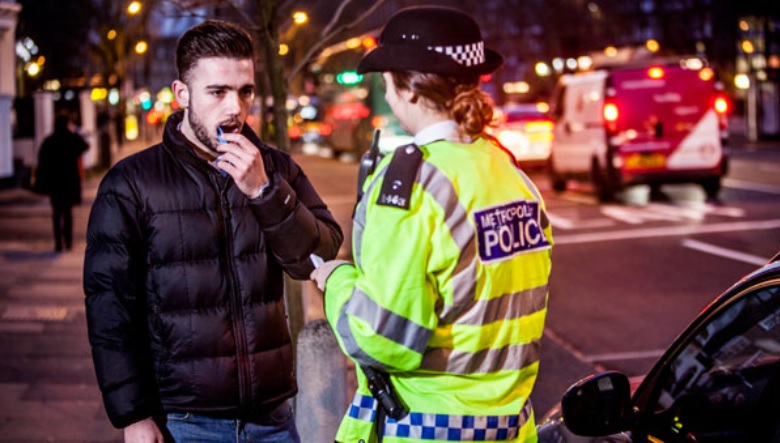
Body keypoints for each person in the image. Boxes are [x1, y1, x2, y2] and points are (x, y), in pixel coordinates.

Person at [84, 20, 343, 443]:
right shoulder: (132, 183)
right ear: (182, 93)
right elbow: (110, 308)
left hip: (273, 418)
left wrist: (264, 193)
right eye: (217, 92)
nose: (235, 108)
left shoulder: (274, 168)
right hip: (185, 421)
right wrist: (133, 415)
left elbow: (317, 257)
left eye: (245, 91)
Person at [311, 6, 553, 443]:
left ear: (407, 89)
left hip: (427, 429)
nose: (387, 92)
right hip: (511, 430)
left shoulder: (412, 184)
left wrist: (337, 282)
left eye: (387, 80)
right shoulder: (510, 173)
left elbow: (382, 340)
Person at [35, 113, 89, 252]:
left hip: (55, 182)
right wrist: (75, 132)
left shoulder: (50, 140)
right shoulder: (71, 138)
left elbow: (42, 159)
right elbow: (85, 146)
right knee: (67, 212)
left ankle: (58, 241)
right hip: (69, 181)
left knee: (57, 212)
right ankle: (68, 241)